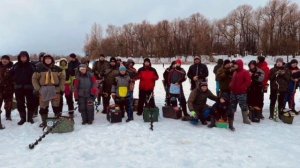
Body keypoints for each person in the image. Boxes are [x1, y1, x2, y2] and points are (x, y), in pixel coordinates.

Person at [32, 54, 65, 127]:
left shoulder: (57, 69)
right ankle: (44, 122)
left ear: (52, 60)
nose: (47, 60)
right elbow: (34, 79)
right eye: (46, 59)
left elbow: (62, 79)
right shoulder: (39, 69)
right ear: (43, 60)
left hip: (55, 89)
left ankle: (57, 121)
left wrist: (61, 88)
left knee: (56, 107)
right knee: (43, 107)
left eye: (49, 59)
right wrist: (38, 89)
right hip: (43, 90)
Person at [10, 51, 35, 125]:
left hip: (29, 88)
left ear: (27, 57)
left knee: (30, 103)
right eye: (22, 56)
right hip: (18, 88)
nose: (23, 58)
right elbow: (10, 75)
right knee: (20, 104)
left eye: (25, 56)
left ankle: (30, 118)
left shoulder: (31, 65)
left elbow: (35, 76)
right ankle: (23, 118)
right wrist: (14, 81)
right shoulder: (15, 65)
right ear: (19, 57)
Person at [230, 59, 252, 125]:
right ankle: (231, 118)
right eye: (235, 64)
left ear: (239, 65)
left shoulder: (245, 72)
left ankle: (245, 119)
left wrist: (243, 87)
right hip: (233, 92)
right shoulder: (235, 72)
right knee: (232, 106)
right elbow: (233, 80)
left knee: (243, 106)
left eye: (236, 64)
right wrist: (230, 85)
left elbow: (248, 82)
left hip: (241, 93)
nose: (235, 65)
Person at [0, 55, 14, 121]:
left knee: (8, 104)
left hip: (9, 89)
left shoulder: (13, 68)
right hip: (0, 89)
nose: (4, 60)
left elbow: (15, 78)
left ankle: (8, 116)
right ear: (1, 60)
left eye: (6, 59)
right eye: (3, 59)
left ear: (9, 60)